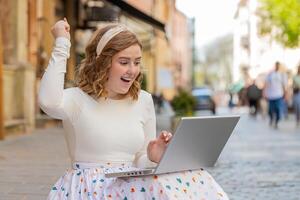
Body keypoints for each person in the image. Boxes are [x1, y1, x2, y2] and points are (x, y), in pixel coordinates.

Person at [38, 18, 228, 199]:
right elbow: (47, 102)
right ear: (102, 63)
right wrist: (62, 43)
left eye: (137, 62)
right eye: (124, 62)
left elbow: (139, 160)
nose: (132, 70)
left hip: (129, 187)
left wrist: (154, 156)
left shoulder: (143, 100)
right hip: (88, 189)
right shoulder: (77, 98)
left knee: (194, 176)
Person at [263, 61, 287, 129]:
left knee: (279, 110)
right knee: (270, 110)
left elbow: (285, 85)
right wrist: (264, 92)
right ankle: (271, 119)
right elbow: (266, 84)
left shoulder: (282, 75)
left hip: (279, 95)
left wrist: (286, 94)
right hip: (271, 96)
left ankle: (276, 121)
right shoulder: (270, 74)